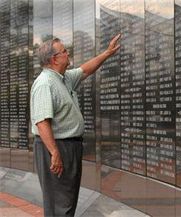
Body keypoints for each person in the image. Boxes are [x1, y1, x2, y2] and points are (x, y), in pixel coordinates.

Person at [30, 33, 121, 216]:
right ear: (54, 59)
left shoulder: (63, 78)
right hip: (56, 147)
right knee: (59, 203)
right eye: (64, 51)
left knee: (67, 199)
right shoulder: (45, 84)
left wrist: (107, 53)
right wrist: (54, 153)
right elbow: (42, 122)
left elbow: (86, 70)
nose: (68, 53)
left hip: (68, 147)